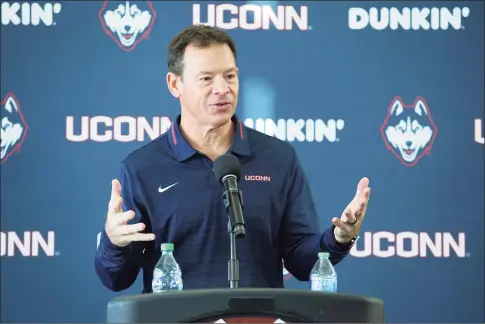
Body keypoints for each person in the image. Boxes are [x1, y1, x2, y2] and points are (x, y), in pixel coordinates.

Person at [94, 24, 371, 293]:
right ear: (174, 84)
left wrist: (339, 239)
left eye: (230, 76)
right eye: (206, 78)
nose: (222, 88)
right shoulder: (142, 168)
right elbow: (115, 280)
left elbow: (301, 262)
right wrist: (114, 242)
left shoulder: (277, 157)